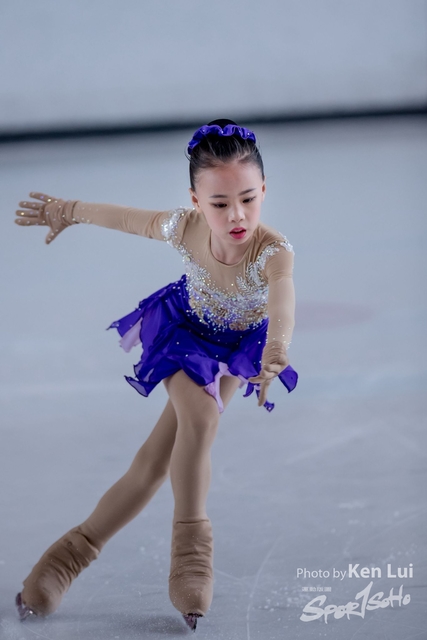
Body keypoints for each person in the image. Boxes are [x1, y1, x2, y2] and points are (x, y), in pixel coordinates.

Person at [13, 119, 298, 632]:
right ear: (195, 200)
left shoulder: (273, 251)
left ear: (264, 190)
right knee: (201, 418)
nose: (236, 215)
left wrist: (277, 348)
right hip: (182, 332)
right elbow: (123, 217)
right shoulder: (184, 228)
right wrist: (67, 210)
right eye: (219, 203)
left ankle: (70, 555)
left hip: (236, 348)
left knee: (152, 464)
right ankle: (192, 554)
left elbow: (283, 299)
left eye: (248, 199)